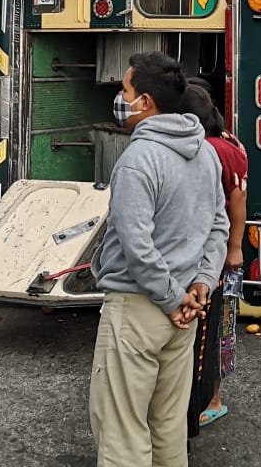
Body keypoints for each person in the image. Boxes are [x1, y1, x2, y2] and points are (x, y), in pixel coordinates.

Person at [89, 52, 229, 467]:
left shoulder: (138, 160)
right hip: (185, 312)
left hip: (139, 310)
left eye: (125, 90)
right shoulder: (205, 154)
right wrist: (200, 286)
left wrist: (171, 298)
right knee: (168, 427)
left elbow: (137, 245)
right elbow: (217, 227)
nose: (120, 97)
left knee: (121, 433)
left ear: (145, 102)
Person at [180, 81, 248, 434]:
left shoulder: (208, 150)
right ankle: (213, 398)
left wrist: (232, 248)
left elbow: (234, 200)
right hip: (224, 253)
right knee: (222, 328)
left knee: (206, 331)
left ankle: (207, 400)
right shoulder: (230, 143)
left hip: (214, 255)